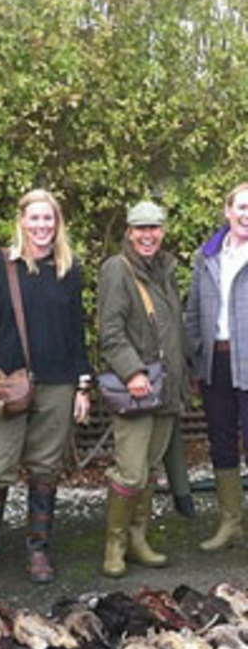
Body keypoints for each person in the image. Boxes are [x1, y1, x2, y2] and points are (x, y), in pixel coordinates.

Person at [0, 188, 91, 584]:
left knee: (45, 468)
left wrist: (83, 385)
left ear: (57, 223)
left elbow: (76, 328)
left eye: (48, 218)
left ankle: (38, 550)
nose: (41, 225)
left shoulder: (68, 268)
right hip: (8, 382)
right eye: (34, 218)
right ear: (21, 220)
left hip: (58, 383)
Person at [98, 200, 188, 577]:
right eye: (141, 229)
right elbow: (110, 332)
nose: (148, 235)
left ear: (162, 231)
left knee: (150, 470)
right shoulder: (117, 269)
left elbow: (174, 329)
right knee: (131, 472)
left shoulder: (164, 270)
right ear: (129, 232)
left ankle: (138, 540)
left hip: (166, 387)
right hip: (138, 388)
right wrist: (132, 372)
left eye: (154, 228)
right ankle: (114, 546)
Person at [187, 182, 248, 551]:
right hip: (216, 362)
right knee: (222, 441)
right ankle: (231, 523)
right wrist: (197, 361)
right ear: (228, 211)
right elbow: (193, 311)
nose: (247, 215)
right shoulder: (207, 255)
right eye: (241, 207)